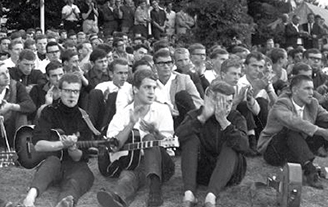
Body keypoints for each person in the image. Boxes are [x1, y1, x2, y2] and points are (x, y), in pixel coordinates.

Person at [99, 69, 175, 207]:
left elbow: (169, 143)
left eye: (153, 87)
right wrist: (131, 124)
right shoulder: (122, 114)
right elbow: (113, 146)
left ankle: (155, 191)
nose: (152, 91)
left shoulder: (162, 110)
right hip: (134, 162)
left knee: (149, 138)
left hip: (162, 164)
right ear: (135, 89)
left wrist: (156, 133)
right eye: (147, 87)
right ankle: (117, 199)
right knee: (127, 176)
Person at [20, 73, 95, 207]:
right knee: (51, 163)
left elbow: (79, 157)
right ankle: (30, 197)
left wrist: (72, 148)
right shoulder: (49, 111)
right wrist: (61, 144)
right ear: (60, 91)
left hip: (74, 164)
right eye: (67, 91)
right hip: (53, 159)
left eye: (75, 91)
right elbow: (38, 145)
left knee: (83, 176)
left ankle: (65, 202)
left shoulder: (84, 117)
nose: (72, 95)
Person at [176, 80, 249, 207]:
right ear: (211, 100)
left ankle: (211, 197)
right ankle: (189, 194)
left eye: (229, 102)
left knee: (231, 144)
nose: (226, 107)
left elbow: (244, 146)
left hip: (229, 172)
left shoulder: (236, 117)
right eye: (221, 102)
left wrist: (224, 122)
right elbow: (177, 138)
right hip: (202, 171)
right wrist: (202, 119)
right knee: (190, 138)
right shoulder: (196, 115)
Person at [258, 74, 328, 189]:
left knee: (326, 125)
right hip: (273, 150)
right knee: (291, 130)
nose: (311, 92)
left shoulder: (313, 103)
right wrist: (321, 131)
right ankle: (310, 171)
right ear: (294, 90)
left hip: (297, 149)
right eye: (307, 88)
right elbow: (293, 122)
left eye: (312, 88)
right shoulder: (281, 103)